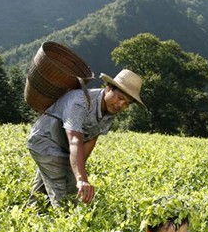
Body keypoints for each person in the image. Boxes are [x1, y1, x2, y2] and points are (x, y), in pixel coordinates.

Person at [27, 69, 144, 208]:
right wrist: (81, 179)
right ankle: (66, 226)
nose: (121, 105)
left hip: (63, 148)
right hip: (45, 141)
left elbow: (91, 139)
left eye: (127, 103)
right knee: (66, 196)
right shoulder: (81, 102)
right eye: (120, 98)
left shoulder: (109, 113)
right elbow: (75, 140)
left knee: (41, 195)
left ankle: (26, 218)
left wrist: (75, 172)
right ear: (108, 88)